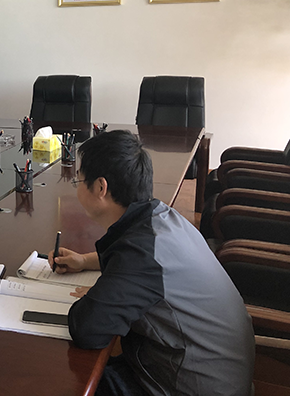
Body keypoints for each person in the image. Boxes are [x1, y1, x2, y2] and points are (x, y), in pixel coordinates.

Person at [50, 130, 254, 396]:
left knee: (60, 377)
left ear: (100, 188)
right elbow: (150, 267)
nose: (77, 186)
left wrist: (99, 298)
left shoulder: (140, 255)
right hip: (209, 372)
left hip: (187, 386)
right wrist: (85, 261)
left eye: (78, 180)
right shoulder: (163, 218)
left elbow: (87, 330)